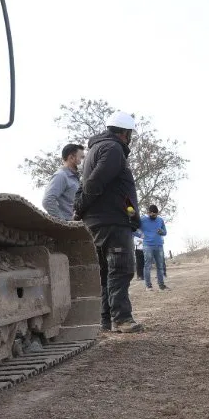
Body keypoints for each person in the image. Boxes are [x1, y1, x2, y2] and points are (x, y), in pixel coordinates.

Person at [74, 111, 143, 333]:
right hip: (112, 221)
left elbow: (88, 183)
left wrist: (81, 210)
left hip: (98, 221)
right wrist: (80, 207)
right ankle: (121, 319)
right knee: (121, 269)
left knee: (105, 271)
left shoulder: (95, 149)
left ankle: (104, 320)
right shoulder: (113, 149)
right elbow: (93, 184)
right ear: (124, 133)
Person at [41, 143, 84, 220]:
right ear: (71, 158)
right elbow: (48, 201)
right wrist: (64, 224)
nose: (84, 161)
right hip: (69, 228)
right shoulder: (61, 175)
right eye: (82, 157)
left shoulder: (76, 179)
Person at [137, 204, 169, 291]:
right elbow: (134, 229)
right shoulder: (142, 219)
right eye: (153, 215)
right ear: (148, 212)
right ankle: (148, 286)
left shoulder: (160, 220)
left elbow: (165, 232)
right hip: (147, 246)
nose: (155, 216)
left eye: (156, 215)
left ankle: (161, 286)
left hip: (159, 245)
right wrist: (140, 235)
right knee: (147, 266)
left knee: (160, 266)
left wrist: (161, 231)